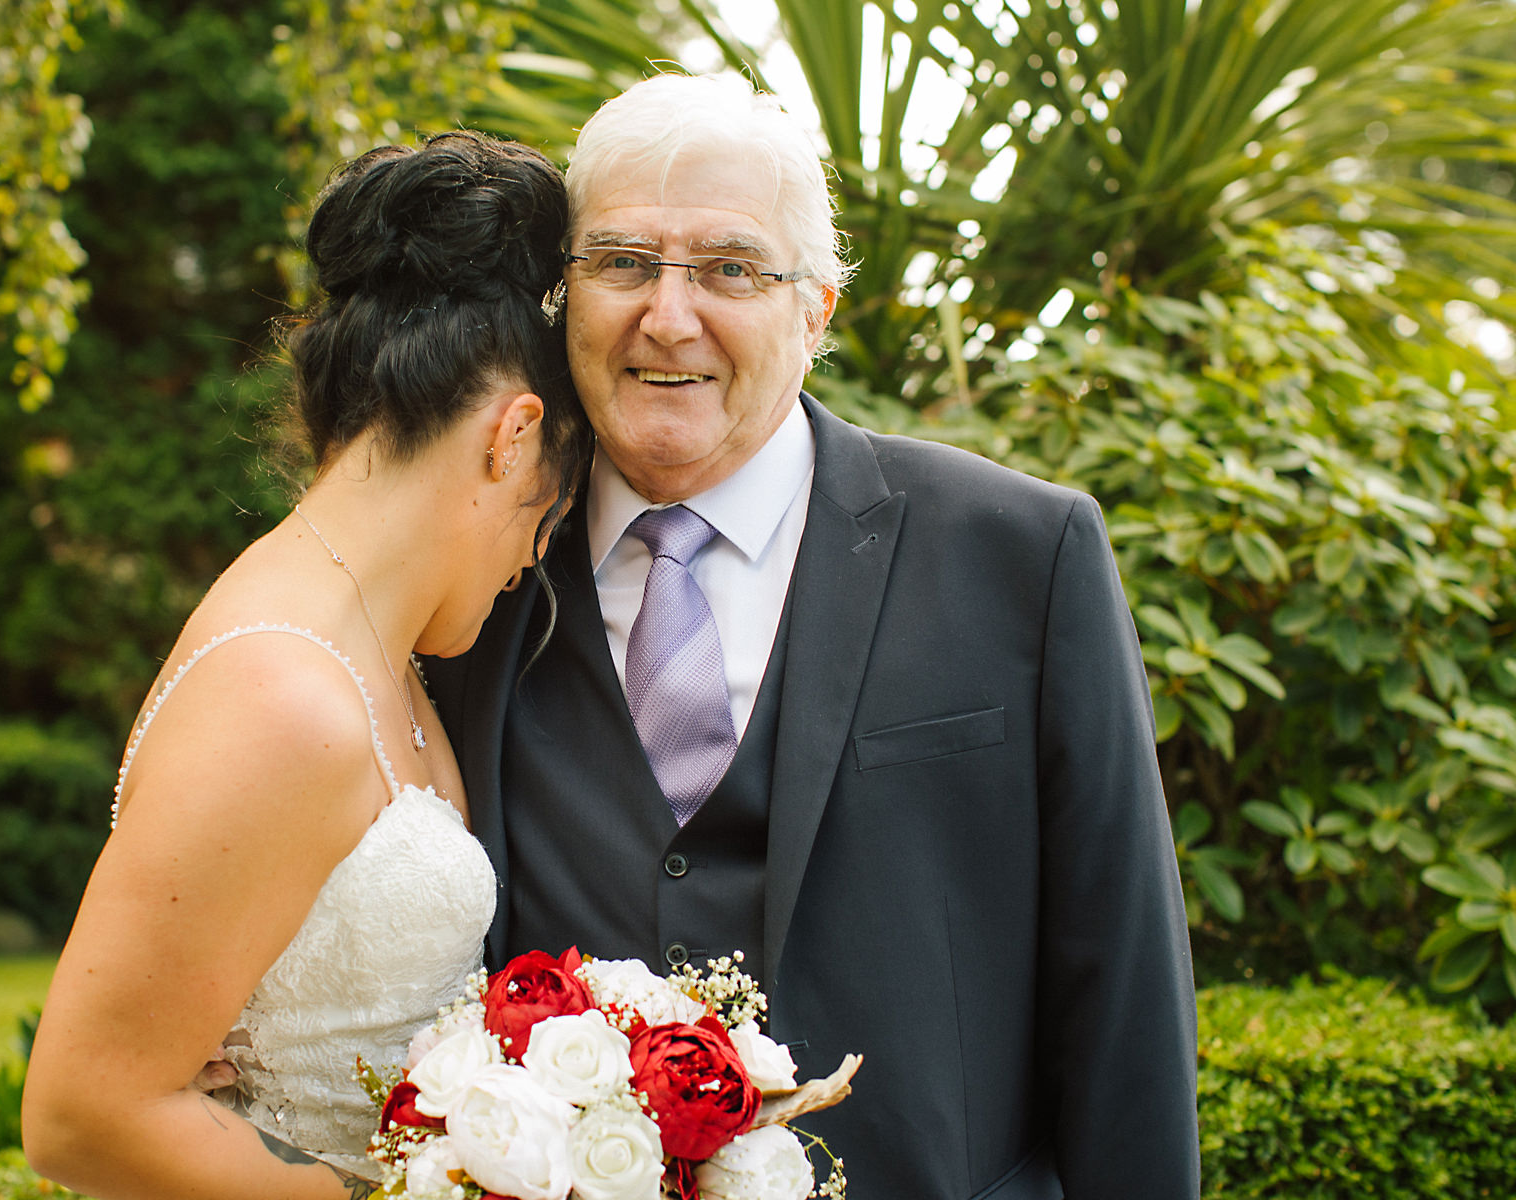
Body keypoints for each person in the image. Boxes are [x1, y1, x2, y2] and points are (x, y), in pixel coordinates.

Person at [421, 73, 1201, 1198]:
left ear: (816, 310)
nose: (668, 316)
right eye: (623, 262)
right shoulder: (471, 571)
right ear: (563, 294)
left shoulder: (1024, 556)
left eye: (730, 269)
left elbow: (1122, 990)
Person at [21, 131, 590, 1199]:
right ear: (512, 437)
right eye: (546, 515)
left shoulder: (377, 653)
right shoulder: (281, 694)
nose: (531, 559)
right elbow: (79, 1116)